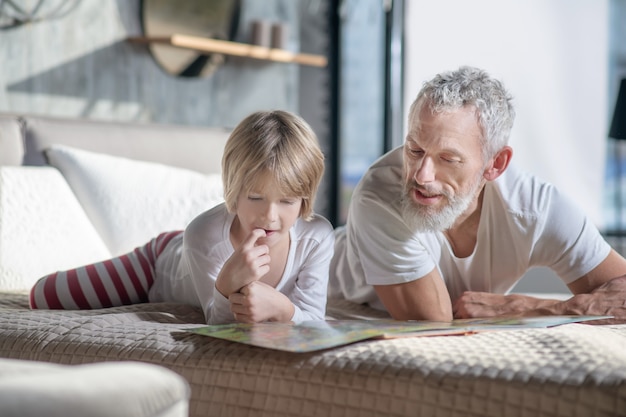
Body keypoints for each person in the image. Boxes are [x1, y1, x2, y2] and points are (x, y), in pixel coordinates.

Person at [329, 66, 626, 324]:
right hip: (318, 287)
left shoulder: (536, 209)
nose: (421, 175)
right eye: (414, 150)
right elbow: (433, 320)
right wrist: (569, 307)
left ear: (495, 164)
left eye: (448, 159)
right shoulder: (379, 194)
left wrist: (525, 306)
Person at [30, 110, 335, 324]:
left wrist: (284, 309)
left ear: (305, 198)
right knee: (44, 295)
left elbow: (314, 318)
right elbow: (217, 319)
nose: (270, 215)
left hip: (188, 251)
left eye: (287, 201)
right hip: (158, 264)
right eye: (255, 197)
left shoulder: (317, 237)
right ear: (233, 189)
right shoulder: (205, 234)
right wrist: (227, 283)